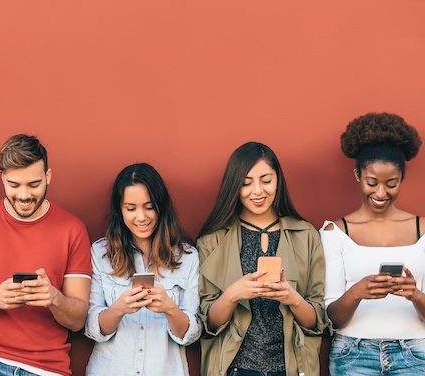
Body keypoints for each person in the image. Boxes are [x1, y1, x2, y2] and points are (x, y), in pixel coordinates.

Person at [0, 134, 92, 376]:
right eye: (14, 185)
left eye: (34, 184)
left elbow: (78, 320)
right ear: (2, 179)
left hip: (48, 369)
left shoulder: (73, 230)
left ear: (48, 176)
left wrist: (54, 298)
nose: (25, 196)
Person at [197, 142, 328, 376]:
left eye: (266, 181)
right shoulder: (212, 240)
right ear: (234, 186)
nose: (257, 191)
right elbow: (209, 325)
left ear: (278, 181)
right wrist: (233, 294)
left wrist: (293, 298)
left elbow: (316, 322)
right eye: (246, 183)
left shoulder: (306, 235)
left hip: (291, 368)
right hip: (235, 368)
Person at [320, 112, 425, 375]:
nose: (380, 193)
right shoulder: (335, 232)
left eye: (391, 183)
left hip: (415, 355)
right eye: (371, 183)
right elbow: (332, 318)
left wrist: (415, 295)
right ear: (357, 175)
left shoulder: (423, 230)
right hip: (353, 355)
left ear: (402, 178)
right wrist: (357, 292)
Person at [84, 163, 201, 376]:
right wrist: (120, 307)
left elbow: (189, 334)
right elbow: (94, 329)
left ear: (161, 206)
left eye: (149, 207)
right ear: (120, 210)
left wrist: (169, 308)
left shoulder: (187, 257)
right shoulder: (101, 253)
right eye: (131, 208)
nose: (141, 217)